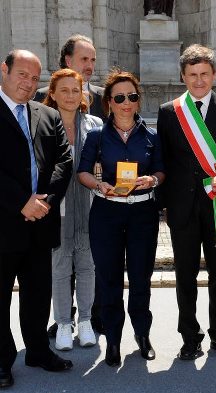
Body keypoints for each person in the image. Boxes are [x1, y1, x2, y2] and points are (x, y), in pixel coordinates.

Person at [157, 44, 216, 360]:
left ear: (214, 75)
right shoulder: (169, 112)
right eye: (192, 75)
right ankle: (190, 336)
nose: (199, 80)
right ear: (183, 76)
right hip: (182, 209)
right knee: (185, 275)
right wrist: (164, 205)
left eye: (204, 74)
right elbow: (163, 160)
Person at [77, 69, 165, 366]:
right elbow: (83, 172)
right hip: (107, 213)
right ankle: (113, 339)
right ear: (109, 103)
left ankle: (143, 334)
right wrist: (99, 184)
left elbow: (161, 170)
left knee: (141, 278)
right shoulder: (97, 135)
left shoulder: (152, 134)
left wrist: (151, 180)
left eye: (132, 96)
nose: (127, 102)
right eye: (120, 97)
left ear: (138, 101)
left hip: (143, 213)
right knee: (109, 279)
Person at [0, 50, 73, 389]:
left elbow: (64, 160)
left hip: (40, 221)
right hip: (4, 222)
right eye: (22, 75)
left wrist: (43, 202)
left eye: (33, 78)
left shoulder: (47, 114)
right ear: (5, 70)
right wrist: (21, 202)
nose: (28, 84)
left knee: (38, 292)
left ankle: (38, 351)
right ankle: (1, 360)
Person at [35, 34, 106, 338]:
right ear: (52, 92)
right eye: (63, 90)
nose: (69, 95)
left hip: (89, 203)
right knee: (60, 263)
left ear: (82, 93)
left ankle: (87, 320)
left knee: (87, 262)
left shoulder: (95, 124)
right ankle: (64, 321)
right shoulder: (40, 121)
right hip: (56, 204)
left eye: (74, 90)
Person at [35, 34, 105, 120]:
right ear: (68, 61)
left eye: (93, 60)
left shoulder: (105, 96)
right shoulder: (43, 95)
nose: (90, 66)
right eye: (84, 59)